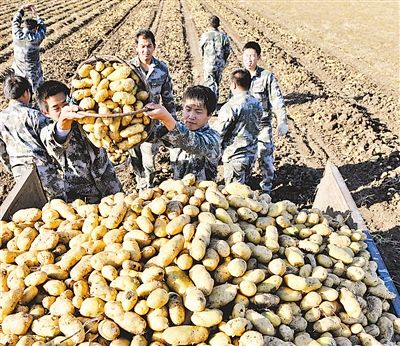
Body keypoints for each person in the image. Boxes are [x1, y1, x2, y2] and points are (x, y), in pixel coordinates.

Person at [37, 80, 122, 203]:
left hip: (111, 187)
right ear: (46, 113)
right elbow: (57, 141)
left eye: (65, 104)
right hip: (83, 199)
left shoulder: (89, 119)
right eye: (56, 108)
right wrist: (64, 120)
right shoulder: (47, 132)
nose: (63, 110)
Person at [0, 72, 65, 199]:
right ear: (26, 93)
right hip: (42, 168)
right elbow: (50, 142)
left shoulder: (1, 119)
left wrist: (11, 167)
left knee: (34, 206)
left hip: (19, 172)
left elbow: (2, 152)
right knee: (58, 204)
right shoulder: (34, 115)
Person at [129, 29, 176, 189]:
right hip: (132, 121)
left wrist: (172, 122)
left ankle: (147, 186)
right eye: (142, 46)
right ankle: (139, 180)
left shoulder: (161, 69)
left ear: (154, 47)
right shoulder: (129, 68)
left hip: (152, 124)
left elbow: (168, 97)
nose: (145, 50)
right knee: (135, 156)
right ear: (136, 47)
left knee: (149, 158)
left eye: (149, 46)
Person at [144, 85, 220, 181]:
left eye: (198, 112)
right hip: (178, 191)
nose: (191, 116)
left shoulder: (213, 139)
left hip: (202, 193)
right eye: (188, 110)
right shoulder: (177, 128)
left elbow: (191, 143)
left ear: (209, 115)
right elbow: (150, 135)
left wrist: (166, 118)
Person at [242, 41, 289, 194]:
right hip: (243, 127)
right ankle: (244, 188)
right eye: (247, 56)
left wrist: (282, 121)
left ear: (258, 57)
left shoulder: (267, 77)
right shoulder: (239, 76)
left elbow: (277, 100)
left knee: (265, 155)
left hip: (262, 125)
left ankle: (266, 189)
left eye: (253, 56)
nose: (249, 59)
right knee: (243, 157)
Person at [213, 69, 263, 185]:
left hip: (235, 156)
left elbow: (218, 132)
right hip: (251, 154)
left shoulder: (231, 106)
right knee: (244, 188)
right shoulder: (257, 104)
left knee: (234, 194)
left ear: (233, 85)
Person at [12, 4, 46, 92]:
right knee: (37, 92)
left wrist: (21, 9)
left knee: (21, 91)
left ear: (24, 26)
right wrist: (36, 14)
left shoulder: (17, 35)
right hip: (33, 74)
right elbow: (43, 27)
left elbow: (15, 22)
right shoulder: (36, 38)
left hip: (18, 71)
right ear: (35, 29)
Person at [199, 15, 230, 100]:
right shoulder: (223, 36)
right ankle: (215, 102)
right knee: (217, 83)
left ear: (209, 24)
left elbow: (201, 48)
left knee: (209, 83)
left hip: (208, 63)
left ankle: (210, 104)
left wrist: (205, 58)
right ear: (218, 24)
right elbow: (227, 51)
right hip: (219, 64)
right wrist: (223, 60)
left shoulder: (205, 35)